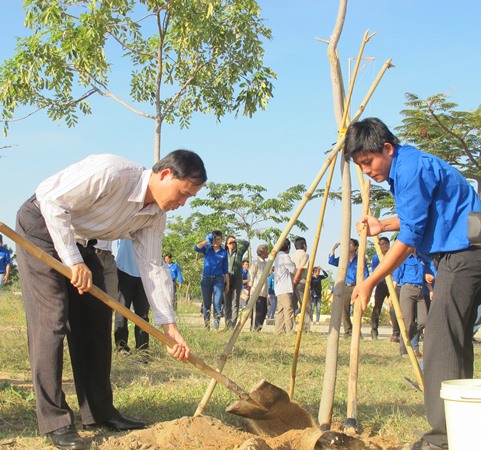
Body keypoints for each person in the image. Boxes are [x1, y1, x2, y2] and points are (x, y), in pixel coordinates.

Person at [15, 150, 206, 450]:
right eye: (182, 194)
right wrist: (72, 261)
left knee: (95, 321)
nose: (181, 204)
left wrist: (169, 327)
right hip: (41, 226)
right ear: (166, 174)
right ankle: (55, 421)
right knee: (51, 320)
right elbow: (51, 201)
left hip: (82, 243)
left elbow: (153, 267)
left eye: (188, 199)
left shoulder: (155, 215)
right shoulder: (112, 173)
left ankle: (99, 411)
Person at [345, 117, 481, 450]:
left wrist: (369, 281)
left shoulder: (410, 170)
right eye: (360, 166)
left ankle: (441, 439)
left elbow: (408, 240)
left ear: (386, 149)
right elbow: (420, 215)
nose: (366, 171)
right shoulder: (409, 164)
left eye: (368, 162)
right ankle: (462, 428)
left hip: (464, 255)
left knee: (440, 338)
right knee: (453, 338)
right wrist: (382, 225)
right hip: (461, 253)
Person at [114, 239, 150, 354]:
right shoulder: (125, 222)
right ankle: (121, 347)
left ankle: (142, 349)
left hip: (145, 273)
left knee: (143, 314)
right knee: (122, 311)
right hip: (124, 269)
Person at [328, 238, 369, 336]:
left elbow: (366, 274)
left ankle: (357, 331)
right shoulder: (343, 258)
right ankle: (348, 330)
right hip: (345, 287)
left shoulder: (360, 259)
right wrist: (334, 249)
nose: (348, 245)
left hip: (356, 286)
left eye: (350, 244)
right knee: (344, 309)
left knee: (357, 309)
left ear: (355, 247)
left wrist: (364, 286)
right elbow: (331, 261)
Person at [392, 249, 427, 358]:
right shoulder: (404, 257)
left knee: (423, 320)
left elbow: (425, 276)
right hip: (407, 289)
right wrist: (392, 295)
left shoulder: (421, 258)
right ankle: (404, 350)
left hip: (420, 290)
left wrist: (431, 290)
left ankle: (407, 339)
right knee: (408, 322)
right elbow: (396, 276)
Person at [194, 231, 229, 332]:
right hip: (206, 279)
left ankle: (216, 327)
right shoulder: (207, 248)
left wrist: (228, 283)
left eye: (218, 239)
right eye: (214, 239)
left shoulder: (223, 252)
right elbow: (196, 248)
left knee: (217, 303)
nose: (216, 241)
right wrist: (206, 241)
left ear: (221, 239)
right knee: (206, 303)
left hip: (218, 280)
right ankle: (207, 325)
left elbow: (225, 269)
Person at [370, 236, 400, 341]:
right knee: (377, 307)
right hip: (382, 283)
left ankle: (396, 333)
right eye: (381, 244)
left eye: (385, 244)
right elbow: (374, 270)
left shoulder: (393, 254)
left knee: (394, 307)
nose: (383, 246)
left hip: (392, 283)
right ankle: (374, 330)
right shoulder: (376, 257)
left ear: (388, 244)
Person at [224, 236, 249, 329]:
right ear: (226, 244)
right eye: (230, 243)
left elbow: (247, 243)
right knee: (227, 302)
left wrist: (236, 239)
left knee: (235, 302)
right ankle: (227, 324)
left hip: (237, 278)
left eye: (234, 242)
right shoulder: (223, 253)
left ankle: (232, 325)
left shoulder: (239, 252)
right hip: (226, 278)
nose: (232, 244)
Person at [273, 238, 296, 334]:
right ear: (288, 247)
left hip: (279, 288)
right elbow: (293, 269)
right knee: (288, 310)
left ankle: (277, 331)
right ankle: (290, 331)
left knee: (280, 311)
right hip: (285, 288)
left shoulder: (277, 256)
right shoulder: (284, 256)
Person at [291, 237, 311, 331]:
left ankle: (289, 327)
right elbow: (301, 269)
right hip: (301, 282)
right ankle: (305, 328)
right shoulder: (305, 255)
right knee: (306, 306)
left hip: (291, 282)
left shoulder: (292, 255)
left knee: (292, 305)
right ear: (304, 245)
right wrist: (295, 281)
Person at [248, 244, 269, 331]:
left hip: (264, 291)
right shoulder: (255, 262)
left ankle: (258, 328)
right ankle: (253, 329)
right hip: (256, 291)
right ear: (263, 252)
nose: (268, 252)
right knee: (257, 312)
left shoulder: (266, 263)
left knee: (263, 311)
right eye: (267, 250)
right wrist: (249, 288)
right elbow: (251, 276)